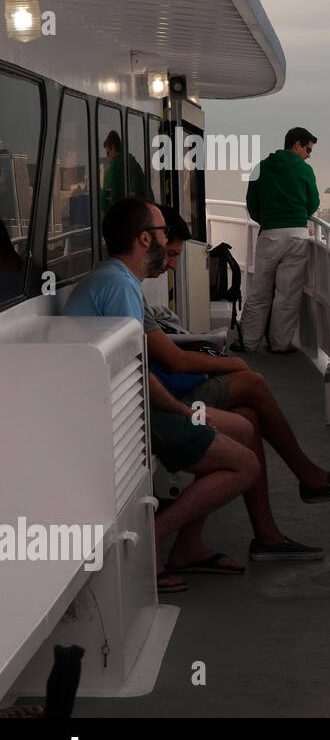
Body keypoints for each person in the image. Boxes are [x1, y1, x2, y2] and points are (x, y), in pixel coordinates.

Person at [146, 206, 330, 553]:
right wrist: (233, 364)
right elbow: (174, 361)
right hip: (164, 402)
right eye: (171, 251)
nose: (173, 263)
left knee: (251, 415)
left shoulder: (124, 286)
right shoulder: (120, 288)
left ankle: (263, 536)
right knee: (252, 382)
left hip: (162, 392)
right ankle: (309, 478)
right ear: (147, 240)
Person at [63, 197, 259, 591]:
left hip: (119, 402)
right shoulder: (120, 286)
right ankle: (156, 537)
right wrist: (183, 412)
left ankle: (189, 546)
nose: (168, 239)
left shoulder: (114, 278)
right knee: (246, 465)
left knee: (244, 428)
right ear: (143, 239)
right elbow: (138, 372)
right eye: (162, 232)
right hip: (124, 413)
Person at [238, 127, 319, 353]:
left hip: (270, 234)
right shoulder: (305, 170)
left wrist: (267, 219)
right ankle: (280, 344)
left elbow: (252, 205)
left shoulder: (260, 168)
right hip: (297, 236)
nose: (309, 155)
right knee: (288, 294)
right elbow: (312, 204)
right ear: (296, 145)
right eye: (308, 149)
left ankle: (249, 342)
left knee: (259, 291)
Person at [99, 130, 151, 215]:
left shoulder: (113, 170)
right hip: (140, 215)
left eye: (108, 153)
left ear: (113, 148)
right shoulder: (135, 165)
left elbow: (105, 203)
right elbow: (147, 191)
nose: (108, 158)